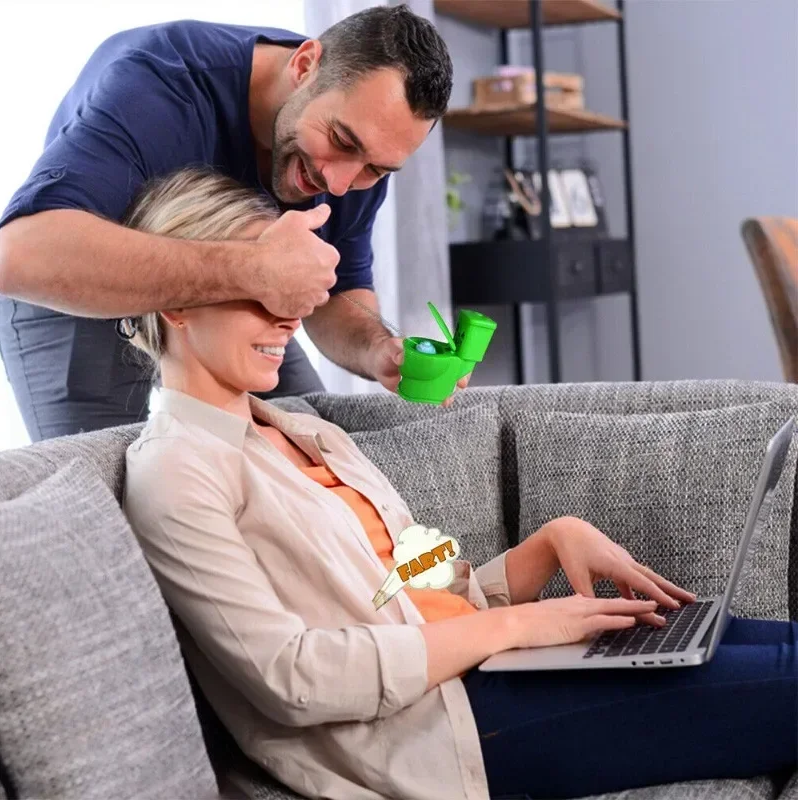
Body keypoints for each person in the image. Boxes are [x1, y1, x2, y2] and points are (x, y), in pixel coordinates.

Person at [122, 169, 797, 800]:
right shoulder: (176, 472)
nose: (287, 317)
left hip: (488, 675)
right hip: (449, 732)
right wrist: (520, 627)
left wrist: (546, 546)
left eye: (289, 289)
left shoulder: (301, 432)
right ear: (178, 301)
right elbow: (294, 680)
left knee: (770, 645)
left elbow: (418, 600)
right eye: (258, 290)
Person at [0, 4, 457, 443]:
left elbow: (335, 294)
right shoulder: (159, 86)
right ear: (305, 65)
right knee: (107, 484)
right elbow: (16, 255)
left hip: (233, 289)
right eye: (340, 140)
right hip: (75, 272)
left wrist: (378, 349)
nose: (338, 184)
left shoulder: (363, 147)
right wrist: (255, 270)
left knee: (311, 448)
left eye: (375, 169)